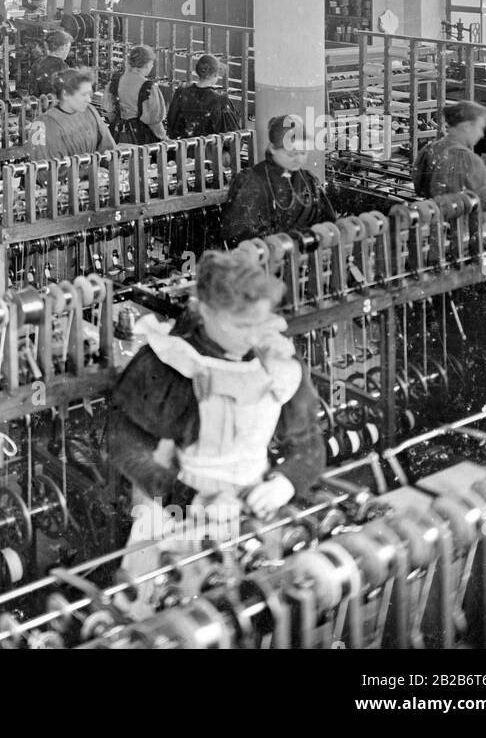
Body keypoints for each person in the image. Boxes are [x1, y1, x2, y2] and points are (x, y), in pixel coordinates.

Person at [103, 248, 324, 586]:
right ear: (204, 310)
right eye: (239, 325)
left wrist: (285, 482)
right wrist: (189, 498)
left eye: (258, 323)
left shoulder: (277, 364)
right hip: (178, 515)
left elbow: (309, 445)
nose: (252, 337)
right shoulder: (170, 365)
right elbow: (123, 445)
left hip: (255, 512)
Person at [221, 114, 336, 245]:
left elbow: (327, 221)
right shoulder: (251, 181)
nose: (299, 159)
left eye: (303, 153)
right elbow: (239, 236)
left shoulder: (308, 180)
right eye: (292, 153)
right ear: (272, 148)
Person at [30, 68, 116, 161]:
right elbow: (45, 170)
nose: (89, 100)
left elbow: (108, 147)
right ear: (65, 94)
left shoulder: (90, 111)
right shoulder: (43, 124)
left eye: (89, 94)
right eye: (83, 95)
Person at [413, 101, 486, 198]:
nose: (481, 134)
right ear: (466, 127)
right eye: (480, 128)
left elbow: (419, 188)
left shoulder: (428, 150)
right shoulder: (471, 161)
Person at [165, 53, 244, 139]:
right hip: (208, 149)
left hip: (183, 148)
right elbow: (232, 137)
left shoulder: (181, 94)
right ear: (215, 74)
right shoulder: (221, 101)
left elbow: (171, 124)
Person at [108, 44, 168, 144]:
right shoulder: (149, 87)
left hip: (117, 136)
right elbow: (154, 122)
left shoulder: (116, 81)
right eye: (152, 63)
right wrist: (164, 138)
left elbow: (109, 112)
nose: (152, 66)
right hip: (140, 139)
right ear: (147, 64)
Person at [31, 29, 71, 96]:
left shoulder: (37, 63)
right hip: (54, 103)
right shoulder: (62, 66)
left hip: (39, 102)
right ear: (63, 47)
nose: (68, 52)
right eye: (68, 48)